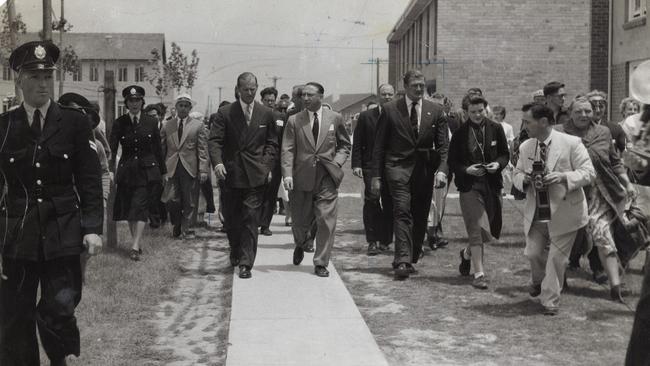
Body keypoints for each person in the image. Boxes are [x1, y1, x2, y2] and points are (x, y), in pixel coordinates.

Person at [0, 41, 103, 366]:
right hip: (17, 236)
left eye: (48, 76)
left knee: (59, 307)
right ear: (19, 80)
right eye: (35, 76)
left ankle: (62, 359)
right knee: (15, 317)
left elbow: (88, 180)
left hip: (64, 232)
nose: (43, 84)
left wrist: (92, 229)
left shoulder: (74, 122)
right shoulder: (4, 126)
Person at [513, 102, 595, 315]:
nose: (524, 125)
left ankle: (550, 300)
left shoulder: (571, 143)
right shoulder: (526, 147)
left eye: (527, 121)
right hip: (537, 210)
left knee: (557, 257)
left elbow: (589, 173)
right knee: (532, 253)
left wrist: (563, 177)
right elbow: (516, 174)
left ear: (543, 122)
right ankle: (539, 281)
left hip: (566, 210)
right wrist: (526, 180)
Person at [371, 70, 449, 279]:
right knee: (402, 210)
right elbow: (378, 146)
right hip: (397, 167)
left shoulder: (436, 110)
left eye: (422, 85)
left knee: (420, 214)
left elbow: (443, 146)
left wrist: (442, 170)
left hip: (424, 170)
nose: (419, 88)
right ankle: (402, 260)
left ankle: (412, 255)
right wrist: (376, 176)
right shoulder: (389, 110)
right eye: (414, 85)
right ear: (405, 87)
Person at [562, 96, 636, 302]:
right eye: (579, 111)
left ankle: (615, 286)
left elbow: (614, 162)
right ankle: (558, 278)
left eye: (588, 111)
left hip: (599, 195)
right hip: (570, 195)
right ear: (570, 113)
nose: (584, 115)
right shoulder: (560, 133)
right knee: (567, 240)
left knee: (604, 237)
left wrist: (627, 184)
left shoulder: (603, 133)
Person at [209, 72, 278, 279]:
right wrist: (218, 163)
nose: (250, 93)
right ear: (238, 89)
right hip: (231, 173)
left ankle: (246, 262)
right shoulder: (225, 112)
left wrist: (265, 167)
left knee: (250, 218)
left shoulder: (266, 113)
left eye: (253, 89)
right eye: (246, 89)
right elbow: (214, 141)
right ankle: (235, 248)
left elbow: (272, 144)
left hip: (256, 175)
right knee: (232, 218)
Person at [281, 82, 351, 277]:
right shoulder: (294, 121)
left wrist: (336, 163)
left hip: (326, 176)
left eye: (310, 95)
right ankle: (301, 243)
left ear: (321, 97)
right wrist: (287, 174)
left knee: (326, 220)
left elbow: (345, 145)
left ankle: (321, 262)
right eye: (303, 95)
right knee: (299, 221)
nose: (305, 98)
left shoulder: (335, 118)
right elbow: (287, 149)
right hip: (300, 177)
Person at [448, 96, 510, 289]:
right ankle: (479, 274)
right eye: (473, 112)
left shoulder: (496, 128)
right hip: (469, 187)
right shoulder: (459, 134)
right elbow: (452, 161)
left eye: (480, 111)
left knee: (488, 231)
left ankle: (466, 254)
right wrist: (467, 170)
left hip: (491, 185)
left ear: (486, 110)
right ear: (466, 112)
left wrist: (497, 164)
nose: (477, 115)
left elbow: (504, 154)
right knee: (476, 228)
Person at [109, 85, 166, 261]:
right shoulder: (120, 123)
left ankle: (134, 246)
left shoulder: (151, 122)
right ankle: (137, 242)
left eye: (137, 100)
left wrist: (163, 172)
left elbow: (157, 148)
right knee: (129, 209)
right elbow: (111, 148)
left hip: (146, 171)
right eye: (131, 101)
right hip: (127, 171)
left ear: (142, 102)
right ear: (126, 103)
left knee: (140, 207)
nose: (134, 104)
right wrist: (111, 170)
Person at [352, 84, 395, 255]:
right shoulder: (365, 116)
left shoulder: (398, 115)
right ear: (378, 95)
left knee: (390, 203)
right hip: (370, 166)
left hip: (392, 166)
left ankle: (386, 240)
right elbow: (358, 142)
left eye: (390, 94)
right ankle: (372, 240)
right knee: (372, 201)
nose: (387, 97)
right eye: (384, 94)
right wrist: (356, 164)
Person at [160, 94, 209, 240]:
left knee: (189, 200)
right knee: (170, 199)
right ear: (175, 107)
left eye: (186, 106)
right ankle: (177, 224)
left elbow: (202, 149)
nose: (183, 108)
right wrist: (160, 169)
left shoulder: (197, 125)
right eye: (180, 105)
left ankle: (186, 229)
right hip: (171, 166)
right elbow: (162, 148)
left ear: (190, 108)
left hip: (189, 167)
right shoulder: (167, 125)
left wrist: (203, 169)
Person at [258, 86, 287, 236]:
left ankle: (265, 225)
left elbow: (283, 140)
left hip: (275, 162)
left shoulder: (281, 117)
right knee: (257, 193)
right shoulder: (257, 116)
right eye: (267, 100)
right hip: (258, 160)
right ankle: (254, 221)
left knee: (271, 194)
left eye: (272, 100)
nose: (270, 103)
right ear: (261, 100)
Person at [144, 103, 166, 228]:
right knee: (152, 195)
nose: (153, 118)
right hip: (149, 166)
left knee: (162, 194)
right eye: (150, 116)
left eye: (155, 115)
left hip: (163, 165)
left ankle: (163, 218)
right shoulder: (144, 128)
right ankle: (155, 221)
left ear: (159, 116)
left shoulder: (165, 128)